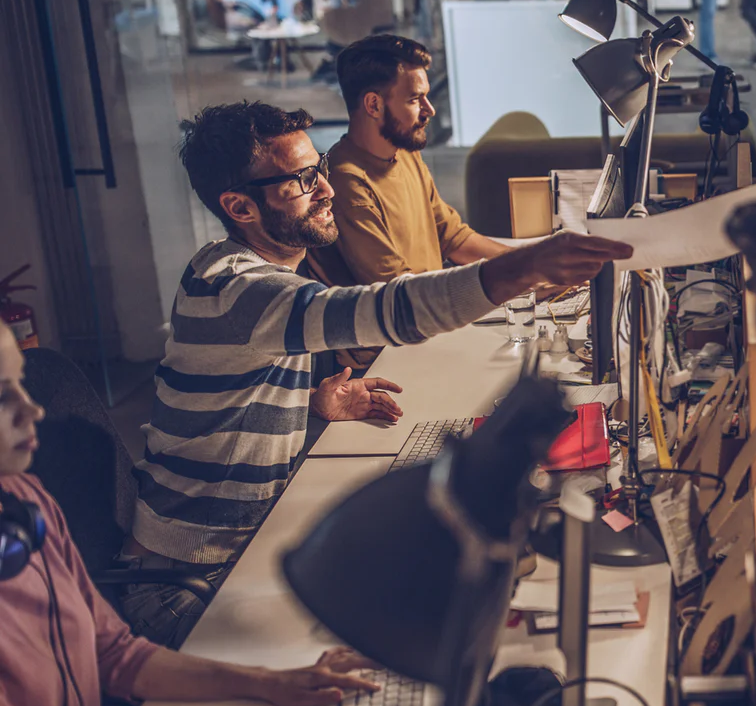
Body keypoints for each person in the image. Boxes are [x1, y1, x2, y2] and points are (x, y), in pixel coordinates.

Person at [119, 101, 630, 646]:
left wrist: (312, 405)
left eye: (319, 171)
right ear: (240, 207)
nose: (326, 190)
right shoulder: (232, 288)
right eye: (301, 181)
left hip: (246, 549)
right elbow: (385, 310)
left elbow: (230, 390)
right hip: (186, 587)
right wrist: (522, 266)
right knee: (400, 636)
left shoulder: (254, 276)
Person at [0, 328, 381, 706]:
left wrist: (268, 682)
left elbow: (117, 654)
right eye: (1, 394)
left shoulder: (23, 502)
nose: (31, 409)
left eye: (20, 384)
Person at [307, 34, 511, 367]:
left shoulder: (404, 153)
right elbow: (400, 294)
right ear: (373, 105)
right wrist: (515, 276)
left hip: (435, 322)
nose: (429, 110)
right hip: (399, 355)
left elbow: (452, 237)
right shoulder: (346, 181)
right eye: (416, 99)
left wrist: (528, 264)